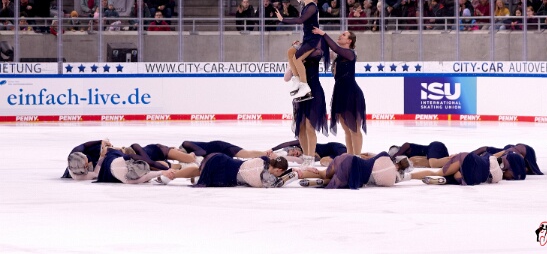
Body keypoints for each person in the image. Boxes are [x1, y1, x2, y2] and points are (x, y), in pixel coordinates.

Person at [275, 0, 328, 101]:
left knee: (297, 58)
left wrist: (283, 19)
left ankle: (304, 86)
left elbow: (300, 20)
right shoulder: (305, 4)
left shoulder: (312, 7)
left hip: (314, 41)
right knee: (290, 52)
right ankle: (297, 80)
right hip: (307, 38)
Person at [313, 28, 366, 155]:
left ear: (349, 41)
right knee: (347, 130)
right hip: (339, 93)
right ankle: (350, 156)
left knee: (354, 129)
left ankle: (357, 158)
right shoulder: (338, 55)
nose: (340, 35)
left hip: (351, 93)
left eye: (344, 35)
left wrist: (323, 34)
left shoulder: (350, 53)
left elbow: (335, 48)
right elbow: (323, 50)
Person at [154, 154, 290, 188]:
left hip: (222, 159)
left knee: (200, 171)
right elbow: (275, 184)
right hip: (225, 173)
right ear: (279, 169)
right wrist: (293, 173)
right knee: (200, 172)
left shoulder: (263, 160)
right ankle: (170, 175)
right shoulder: (265, 176)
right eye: (281, 173)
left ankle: (171, 175)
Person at [297, 152, 411, 189]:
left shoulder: (384, 155)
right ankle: (324, 182)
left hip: (349, 160)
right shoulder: (391, 181)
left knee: (323, 173)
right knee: (336, 179)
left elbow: (368, 157)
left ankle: (299, 174)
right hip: (354, 178)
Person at [410, 151, 503, 186]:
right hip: (472, 176)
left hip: (467, 158)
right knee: (456, 176)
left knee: (437, 173)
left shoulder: (490, 157)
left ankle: (407, 176)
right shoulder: (498, 175)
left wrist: (456, 156)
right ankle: (448, 180)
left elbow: (481, 153)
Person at [96, 147, 173, 184]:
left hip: (112, 167)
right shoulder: (123, 159)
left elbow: (146, 174)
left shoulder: (121, 159)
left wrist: (163, 171)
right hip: (113, 166)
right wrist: (164, 171)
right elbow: (149, 167)